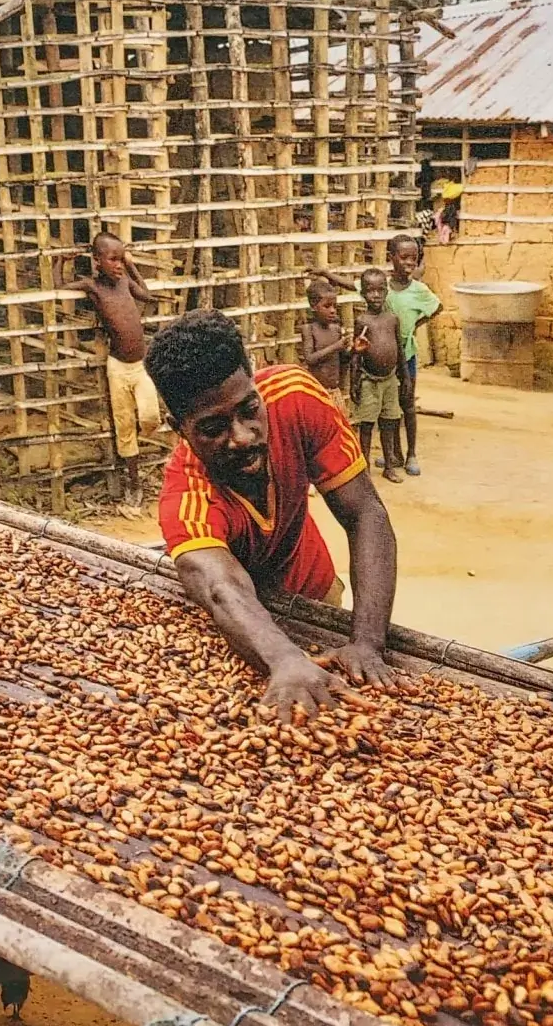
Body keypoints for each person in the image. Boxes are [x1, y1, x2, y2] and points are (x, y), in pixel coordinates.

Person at [145, 310, 399, 719]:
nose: (242, 437)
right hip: (252, 622)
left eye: (249, 409)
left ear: (255, 385)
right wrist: (284, 659)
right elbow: (221, 588)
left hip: (316, 586)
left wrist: (367, 641)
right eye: (213, 428)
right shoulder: (186, 495)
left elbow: (365, 513)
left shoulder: (295, 395)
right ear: (180, 428)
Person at [82, 231, 161, 502]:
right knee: (124, 426)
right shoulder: (94, 288)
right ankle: (134, 484)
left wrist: (131, 265)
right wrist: (60, 262)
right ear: (97, 261)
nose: (117, 264)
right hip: (117, 368)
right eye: (112, 259)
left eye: (120, 258)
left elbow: (147, 296)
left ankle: (135, 444)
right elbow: (59, 287)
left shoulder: (125, 282)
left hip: (140, 365)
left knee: (150, 416)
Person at [386, 232, 442, 476]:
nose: (409, 263)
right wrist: (326, 275)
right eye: (404, 257)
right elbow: (356, 286)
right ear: (392, 258)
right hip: (385, 357)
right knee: (389, 407)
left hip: (406, 354)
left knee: (407, 404)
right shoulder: (381, 286)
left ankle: (411, 454)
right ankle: (394, 454)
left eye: (414, 258)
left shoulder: (419, 290)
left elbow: (437, 307)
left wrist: (415, 326)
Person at [350, 267, 408, 482]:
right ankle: (364, 466)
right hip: (369, 380)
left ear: (386, 292)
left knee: (389, 422)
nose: (375, 295)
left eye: (380, 290)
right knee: (366, 424)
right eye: (370, 291)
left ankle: (389, 465)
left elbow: (399, 351)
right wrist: (354, 384)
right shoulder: (362, 321)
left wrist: (406, 379)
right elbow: (357, 354)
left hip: (390, 380)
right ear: (363, 293)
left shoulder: (392, 319)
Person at [299, 271, 347, 403]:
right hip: (316, 392)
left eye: (334, 306)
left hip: (334, 391)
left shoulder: (336, 329)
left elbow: (343, 359)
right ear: (314, 307)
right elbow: (309, 358)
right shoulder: (309, 329)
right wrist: (335, 346)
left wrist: (354, 349)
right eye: (327, 306)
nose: (332, 310)